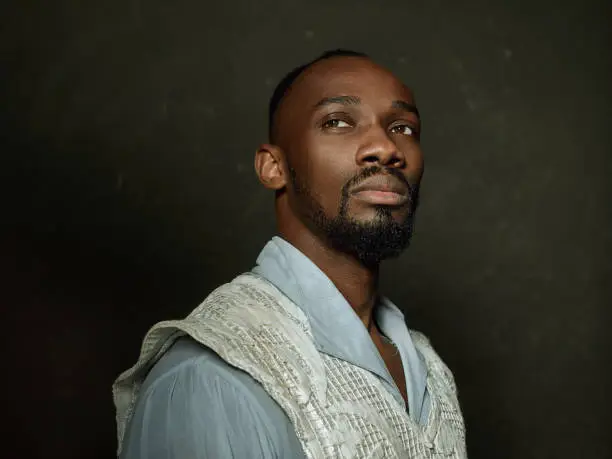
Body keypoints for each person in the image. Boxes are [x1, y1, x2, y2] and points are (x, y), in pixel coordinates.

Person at [113, 49, 467, 458]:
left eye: (403, 128)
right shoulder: (214, 375)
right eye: (337, 122)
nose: (385, 147)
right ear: (273, 167)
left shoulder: (428, 368)